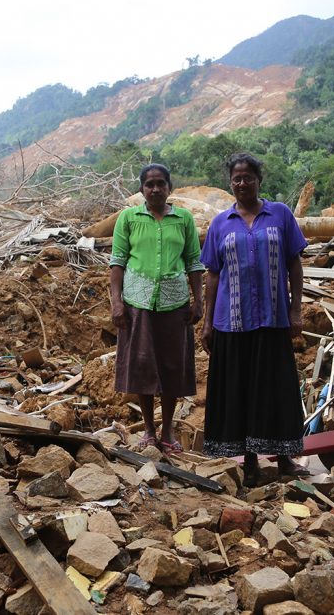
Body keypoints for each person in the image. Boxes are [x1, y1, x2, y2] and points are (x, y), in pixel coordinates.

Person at [200, 152, 307, 486]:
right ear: (230, 183)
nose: (242, 183)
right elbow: (213, 276)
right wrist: (206, 323)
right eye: (236, 178)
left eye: (248, 177)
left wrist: (296, 309)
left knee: (276, 388)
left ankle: (286, 459)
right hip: (231, 323)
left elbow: (294, 265)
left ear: (259, 179)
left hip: (273, 318)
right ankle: (249, 464)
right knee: (241, 390)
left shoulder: (280, 215)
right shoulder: (221, 224)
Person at [110, 163, 205, 454]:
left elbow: (193, 262)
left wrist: (198, 300)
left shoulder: (184, 219)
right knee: (142, 366)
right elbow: (117, 262)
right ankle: (149, 431)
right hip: (137, 303)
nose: (154, 189)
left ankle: (167, 433)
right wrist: (117, 302)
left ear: (169, 187)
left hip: (174, 303)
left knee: (172, 368)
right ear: (141, 190)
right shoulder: (128, 218)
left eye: (160, 183)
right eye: (149, 184)